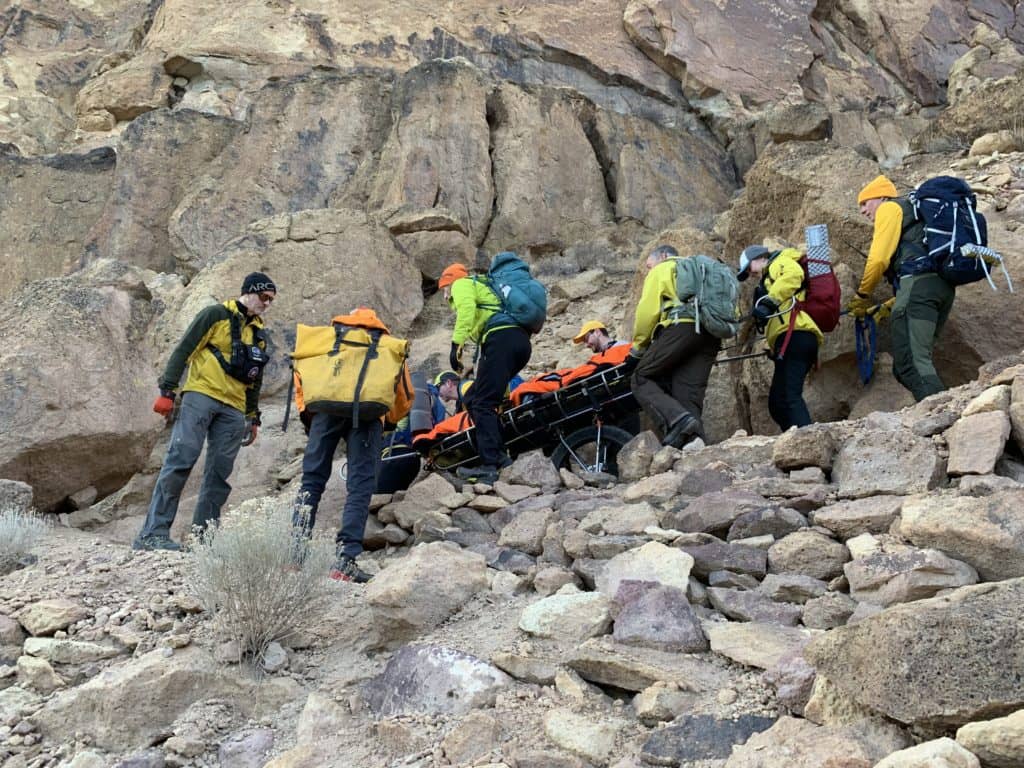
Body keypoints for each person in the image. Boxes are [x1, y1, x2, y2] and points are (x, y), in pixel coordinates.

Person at [133, 272, 275, 551]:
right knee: (180, 460)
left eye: (271, 300)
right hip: (201, 395)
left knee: (218, 475)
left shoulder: (258, 335)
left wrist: (253, 415)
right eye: (263, 297)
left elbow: (255, 379)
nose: (267, 304)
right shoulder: (215, 315)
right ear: (248, 291)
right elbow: (184, 349)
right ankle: (153, 534)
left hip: (234, 408)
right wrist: (168, 390)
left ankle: (204, 541)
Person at [292, 308, 413, 582]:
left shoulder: (328, 339)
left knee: (311, 481)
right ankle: (345, 560)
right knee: (359, 485)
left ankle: (294, 556)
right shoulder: (385, 346)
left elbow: (302, 377)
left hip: (325, 413)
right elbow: (404, 394)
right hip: (369, 418)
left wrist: (309, 415)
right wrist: (389, 421)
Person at [849, 175, 954, 401]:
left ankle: (943, 414)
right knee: (909, 363)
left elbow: (878, 261)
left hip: (919, 288)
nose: (863, 211)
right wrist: (888, 306)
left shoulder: (890, 209)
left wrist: (862, 295)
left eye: (865, 203)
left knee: (911, 365)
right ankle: (944, 412)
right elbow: (919, 264)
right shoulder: (915, 215)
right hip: (940, 289)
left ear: (882, 197)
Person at [439, 262, 532, 485]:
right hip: (518, 342)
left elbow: (467, 311)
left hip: (501, 339)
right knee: (473, 398)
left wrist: (455, 345)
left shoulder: (461, 284)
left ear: (449, 282)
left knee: (482, 403)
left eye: (444, 289)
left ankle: (491, 464)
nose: (444, 295)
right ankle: (500, 454)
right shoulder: (484, 287)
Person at [625, 245, 720, 448]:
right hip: (711, 333)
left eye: (649, 265)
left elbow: (647, 313)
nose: (649, 270)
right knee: (687, 392)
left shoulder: (664, 268)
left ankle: (678, 421)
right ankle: (696, 446)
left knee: (641, 378)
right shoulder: (701, 271)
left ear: (664, 256)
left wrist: (638, 347)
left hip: (682, 327)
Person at [738, 245, 823, 430]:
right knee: (777, 404)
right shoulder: (768, 277)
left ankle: (808, 439)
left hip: (796, 335)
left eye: (749, 269)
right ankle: (794, 442)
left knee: (789, 397)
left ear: (759, 259)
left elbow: (793, 275)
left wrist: (769, 302)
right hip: (790, 339)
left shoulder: (778, 262)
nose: (750, 275)